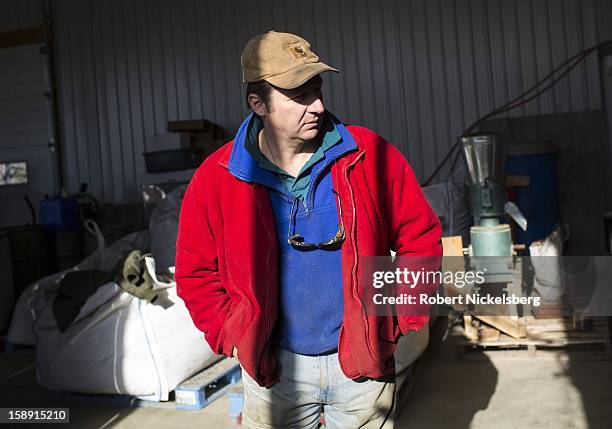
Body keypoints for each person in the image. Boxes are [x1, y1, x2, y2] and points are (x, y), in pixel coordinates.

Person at [175, 31, 442, 429]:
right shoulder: (217, 178)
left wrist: (398, 318)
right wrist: (233, 333)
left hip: (361, 365)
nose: (316, 105)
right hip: (273, 372)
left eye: (317, 89)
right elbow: (196, 271)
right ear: (258, 103)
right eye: (298, 95)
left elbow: (419, 238)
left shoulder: (369, 156)